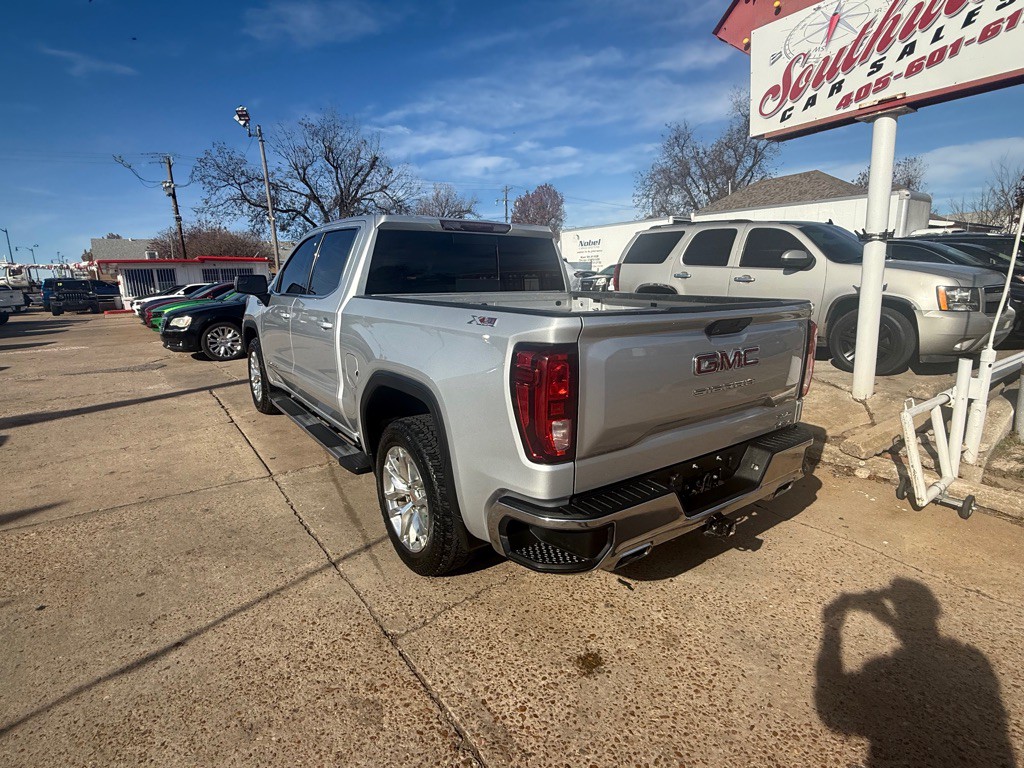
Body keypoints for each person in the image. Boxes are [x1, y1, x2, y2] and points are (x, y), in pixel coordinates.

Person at [815, 578, 1015, 767]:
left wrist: (833, 628)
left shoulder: (887, 666)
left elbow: (831, 707)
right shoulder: (971, 657)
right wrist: (889, 617)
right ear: (935, 611)